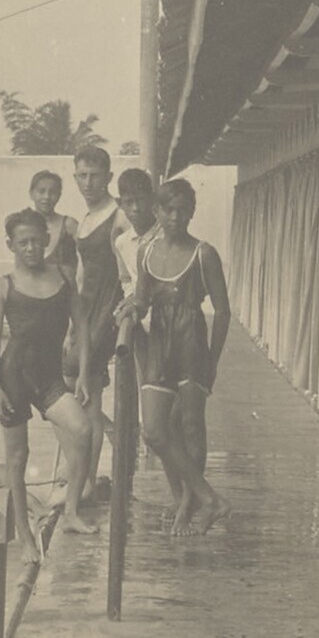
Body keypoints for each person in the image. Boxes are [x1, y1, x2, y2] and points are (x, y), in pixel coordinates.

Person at [0, 208, 101, 561]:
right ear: (11, 245)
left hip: (49, 376)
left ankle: (71, 513)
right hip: (14, 376)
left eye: (37, 241)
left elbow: (82, 326)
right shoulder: (3, 284)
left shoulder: (64, 277)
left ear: (47, 240)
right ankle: (24, 538)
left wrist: (83, 374)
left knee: (82, 429)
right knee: (18, 458)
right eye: (23, 243)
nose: (31, 248)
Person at [126, 176, 231, 535]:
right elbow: (143, 299)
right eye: (168, 209)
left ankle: (187, 504)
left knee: (190, 425)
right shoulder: (146, 251)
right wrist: (130, 310)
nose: (175, 217)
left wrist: (213, 360)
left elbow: (223, 311)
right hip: (160, 340)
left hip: (191, 341)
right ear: (156, 211)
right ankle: (208, 497)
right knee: (154, 431)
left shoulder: (204, 254)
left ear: (191, 213)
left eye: (182, 210)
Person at [110, 169, 180, 515]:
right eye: (128, 202)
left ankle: (185, 493)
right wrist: (129, 304)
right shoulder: (123, 242)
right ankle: (180, 492)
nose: (135, 209)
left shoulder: (165, 236)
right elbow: (127, 281)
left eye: (140, 201)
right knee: (151, 418)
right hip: (142, 332)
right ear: (121, 204)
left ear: (152, 202)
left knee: (176, 416)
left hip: (172, 329)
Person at [68, 145, 127, 462]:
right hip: (85, 311)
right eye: (82, 176)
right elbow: (80, 276)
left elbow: (133, 266)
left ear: (109, 177)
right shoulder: (86, 219)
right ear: (75, 178)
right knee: (76, 388)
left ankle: (86, 477)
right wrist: (71, 324)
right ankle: (110, 432)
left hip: (107, 309)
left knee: (79, 382)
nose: (88, 183)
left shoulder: (119, 216)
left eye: (94, 176)